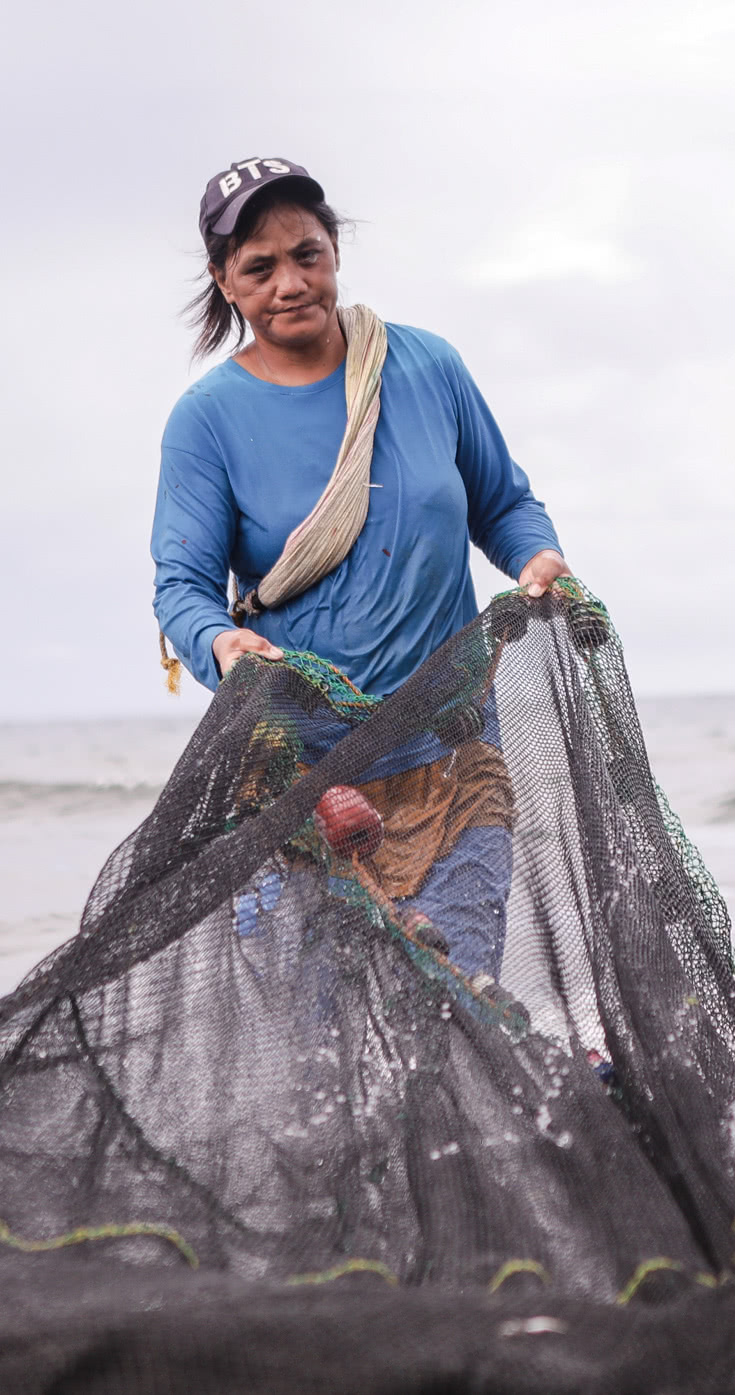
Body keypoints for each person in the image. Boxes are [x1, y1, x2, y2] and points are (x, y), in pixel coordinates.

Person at [154, 158, 570, 978]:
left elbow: (504, 505)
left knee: (461, 990)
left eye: (306, 254)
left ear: (335, 249)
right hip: (304, 779)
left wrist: (538, 556)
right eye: (259, 268)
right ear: (224, 281)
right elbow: (183, 587)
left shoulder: (427, 368)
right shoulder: (206, 421)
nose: (290, 283)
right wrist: (221, 643)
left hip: (452, 756)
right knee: (325, 1013)